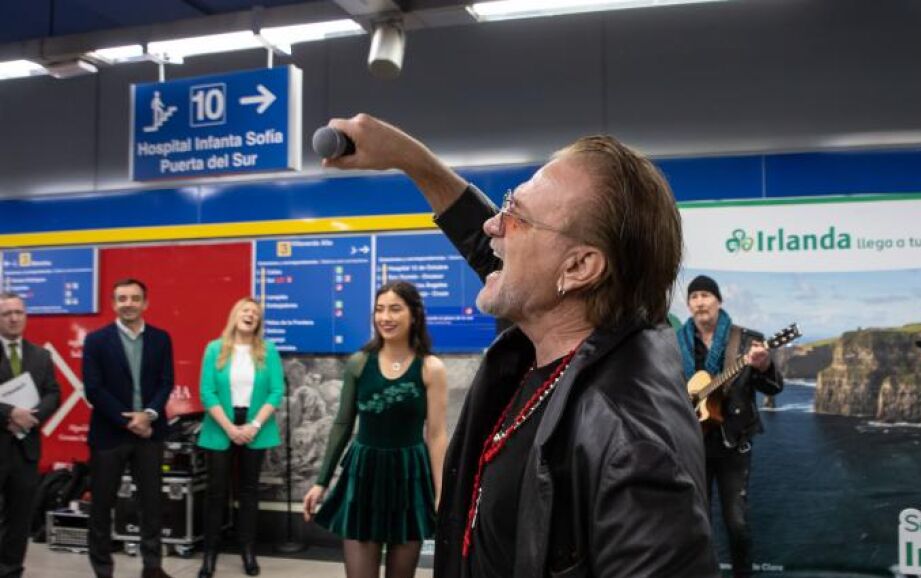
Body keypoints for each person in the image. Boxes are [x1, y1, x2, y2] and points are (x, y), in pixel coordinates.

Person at [318, 114, 718, 578]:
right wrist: (411, 160)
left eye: (517, 217)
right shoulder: (554, 341)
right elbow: (485, 243)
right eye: (505, 205)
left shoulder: (635, 442)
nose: (494, 226)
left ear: (579, 268)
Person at [303, 280, 448, 578]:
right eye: (380, 309)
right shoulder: (359, 363)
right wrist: (321, 482)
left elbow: (436, 435)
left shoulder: (431, 368)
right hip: (364, 476)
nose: (385, 317)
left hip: (409, 477)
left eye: (395, 309)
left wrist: (441, 492)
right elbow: (342, 424)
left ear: (414, 315)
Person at [678, 275, 783, 578]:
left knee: (737, 523)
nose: (700, 302)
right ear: (688, 304)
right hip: (691, 444)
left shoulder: (747, 341)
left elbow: (774, 388)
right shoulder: (674, 343)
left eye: (706, 295)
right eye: (694, 296)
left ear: (719, 301)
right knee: (696, 523)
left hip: (734, 444)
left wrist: (764, 366)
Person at [83, 279, 174, 578]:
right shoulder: (96, 341)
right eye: (122, 298)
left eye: (135, 298)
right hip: (109, 435)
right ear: (113, 304)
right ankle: (103, 570)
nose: (129, 304)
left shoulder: (161, 339)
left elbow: (166, 382)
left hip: (150, 433)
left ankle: (152, 567)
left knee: (151, 504)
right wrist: (129, 421)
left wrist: (148, 415)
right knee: (101, 506)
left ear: (145, 303)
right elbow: (94, 389)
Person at [196, 298, 284, 578]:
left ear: (259, 322)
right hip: (221, 425)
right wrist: (229, 428)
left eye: (255, 313)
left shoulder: (268, 351)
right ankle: (210, 555)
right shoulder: (214, 349)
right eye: (246, 310)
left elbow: (276, 391)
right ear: (234, 315)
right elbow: (207, 391)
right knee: (216, 492)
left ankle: (248, 551)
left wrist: (253, 425)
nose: (250, 315)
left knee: (248, 492)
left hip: (255, 426)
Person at [0, 293, 61, 578]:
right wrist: (10, 413)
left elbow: (53, 393)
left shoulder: (41, 356)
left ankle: (11, 572)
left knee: (19, 519)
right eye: (6, 314)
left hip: (26, 451)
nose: (13, 319)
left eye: (18, 313)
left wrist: (32, 417)